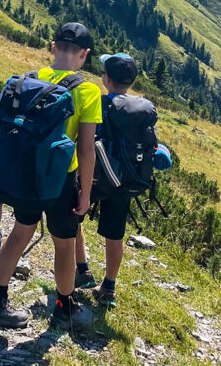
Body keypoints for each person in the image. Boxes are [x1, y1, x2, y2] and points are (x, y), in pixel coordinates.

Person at [0, 22, 101, 330]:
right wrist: (85, 193)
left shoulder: (28, 80)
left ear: (52, 47)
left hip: (25, 174)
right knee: (64, 245)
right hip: (61, 181)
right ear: (84, 54)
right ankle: (64, 308)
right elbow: (86, 150)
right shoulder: (87, 91)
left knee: (20, 233)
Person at [73, 52, 162, 309]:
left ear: (106, 78)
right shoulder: (142, 108)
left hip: (96, 176)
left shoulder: (99, 104)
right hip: (125, 180)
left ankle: (83, 270)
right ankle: (109, 287)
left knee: (74, 216)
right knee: (115, 235)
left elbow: (86, 142)